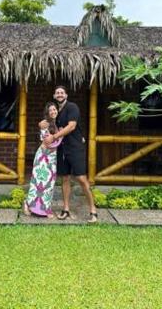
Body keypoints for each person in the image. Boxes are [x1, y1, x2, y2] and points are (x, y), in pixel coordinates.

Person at [49, 85, 98, 222]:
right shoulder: (56, 111)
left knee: (81, 179)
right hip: (62, 149)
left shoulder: (72, 107)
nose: (59, 94)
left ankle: (93, 210)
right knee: (64, 179)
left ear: (66, 95)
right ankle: (66, 209)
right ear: (54, 96)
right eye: (57, 92)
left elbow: (72, 126)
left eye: (62, 92)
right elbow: (52, 126)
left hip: (75, 148)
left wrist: (54, 137)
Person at [23, 103, 62, 217]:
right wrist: (61, 135)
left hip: (52, 157)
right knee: (38, 183)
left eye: (54, 109)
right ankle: (28, 203)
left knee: (49, 183)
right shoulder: (45, 123)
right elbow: (47, 143)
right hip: (43, 157)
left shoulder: (57, 124)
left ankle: (45, 208)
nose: (53, 112)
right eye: (50, 110)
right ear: (47, 113)